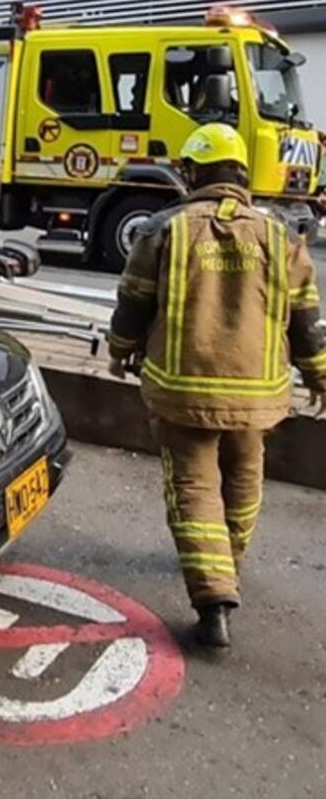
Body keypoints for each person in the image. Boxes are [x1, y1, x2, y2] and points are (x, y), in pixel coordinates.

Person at [107, 122, 326, 649]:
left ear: (191, 172)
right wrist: (319, 375)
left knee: (193, 488)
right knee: (245, 479)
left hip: (183, 390)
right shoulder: (280, 236)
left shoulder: (164, 230)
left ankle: (214, 601)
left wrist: (119, 349)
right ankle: (230, 562)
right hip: (257, 393)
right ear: (242, 174)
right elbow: (306, 320)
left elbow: (133, 302)